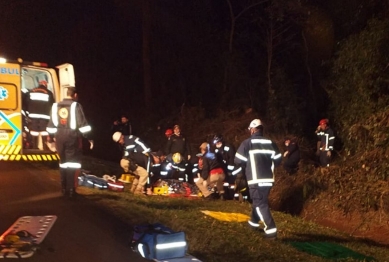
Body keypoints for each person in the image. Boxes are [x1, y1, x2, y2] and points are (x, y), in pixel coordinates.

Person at [234, 119, 282, 240]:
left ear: (253, 129)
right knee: (258, 202)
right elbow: (278, 160)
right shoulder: (271, 143)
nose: (250, 131)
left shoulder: (247, 143)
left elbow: (238, 160)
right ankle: (253, 224)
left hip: (255, 180)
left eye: (250, 129)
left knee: (261, 204)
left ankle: (271, 231)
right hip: (268, 180)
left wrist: (241, 173)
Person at [46, 87, 93, 198]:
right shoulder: (76, 106)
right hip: (72, 137)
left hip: (59, 137)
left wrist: (50, 138)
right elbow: (83, 125)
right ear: (75, 95)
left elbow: (51, 124)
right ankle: (71, 190)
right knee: (72, 164)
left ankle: (63, 189)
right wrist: (89, 138)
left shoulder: (55, 106)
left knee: (63, 163)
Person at [26, 80, 54, 150]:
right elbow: (52, 104)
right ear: (45, 85)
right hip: (44, 116)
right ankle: (44, 147)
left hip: (33, 116)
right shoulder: (49, 93)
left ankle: (35, 147)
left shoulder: (31, 91)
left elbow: (27, 102)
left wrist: (28, 112)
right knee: (44, 131)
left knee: (34, 131)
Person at [213, 134, 240, 199]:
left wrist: (229, 170)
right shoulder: (216, 149)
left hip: (233, 169)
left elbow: (231, 158)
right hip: (225, 169)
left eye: (218, 142)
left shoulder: (228, 147)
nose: (217, 144)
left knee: (231, 183)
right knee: (225, 182)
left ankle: (234, 196)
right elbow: (218, 159)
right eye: (216, 143)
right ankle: (226, 195)